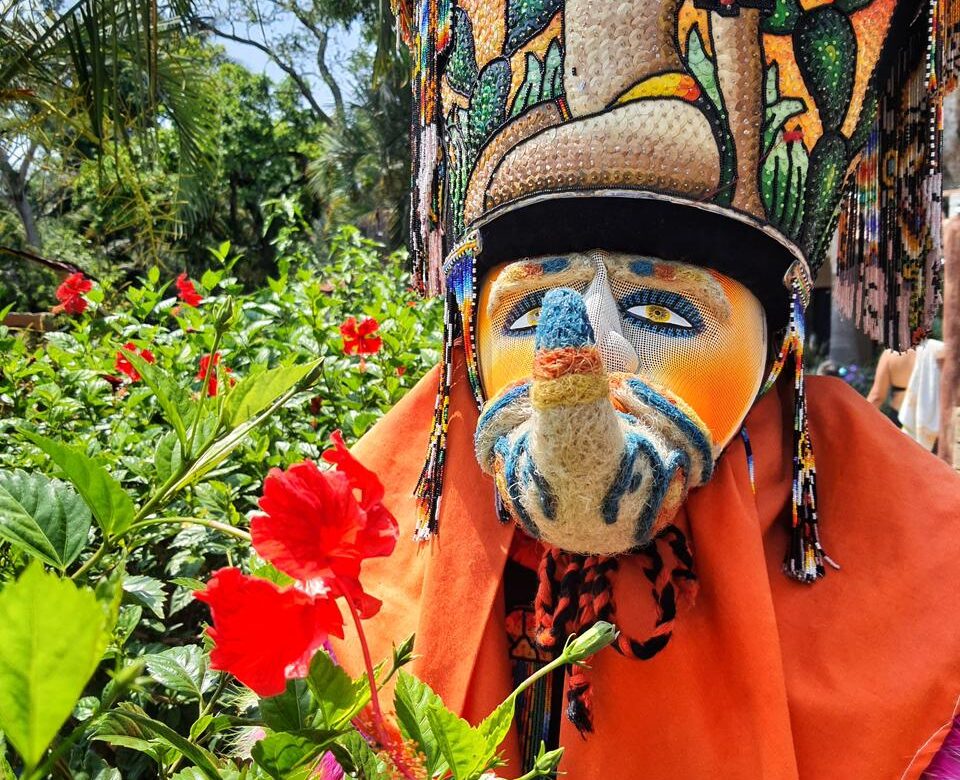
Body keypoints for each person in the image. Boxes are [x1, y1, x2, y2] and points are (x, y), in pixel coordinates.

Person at [335, 1, 960, 776]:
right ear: (472, 344)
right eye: (530, 308)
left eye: (662, 309)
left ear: (777, 354)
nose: (599, 354)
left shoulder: (908, 528)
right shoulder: (403, 486)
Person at [867, 348, 918, 426]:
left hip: (899, 414)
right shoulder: (933, 351)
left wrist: (861, 419)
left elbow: (877, 396)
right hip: (930, 418)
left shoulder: (891, 353)